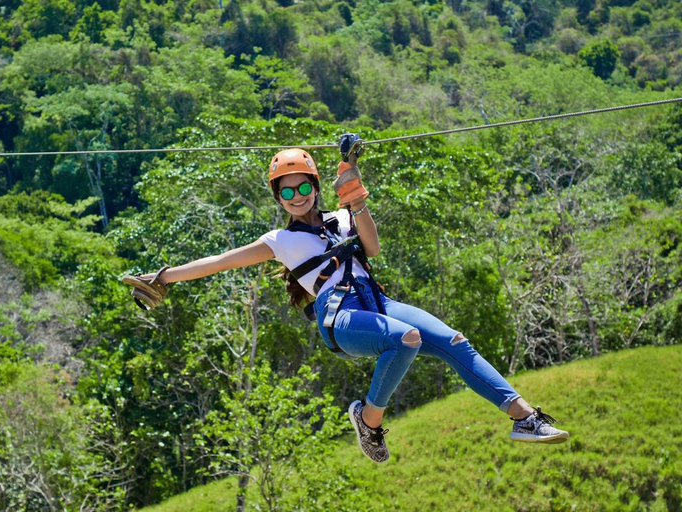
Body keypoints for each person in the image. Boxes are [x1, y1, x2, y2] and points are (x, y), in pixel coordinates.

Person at [123, 136, 569, 463]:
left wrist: (353, 193)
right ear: (278, 198)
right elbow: (219, 261)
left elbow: (371, 248)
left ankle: (524, 418)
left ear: (316, 186)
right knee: (407, 339)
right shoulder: (279, 239)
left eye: (303, 187)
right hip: (340, 316)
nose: (297, 197)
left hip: (377, 301)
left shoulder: (340, 217)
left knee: (453, 340)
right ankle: (368, 421)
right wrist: (162, 277)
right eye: (287, 191)